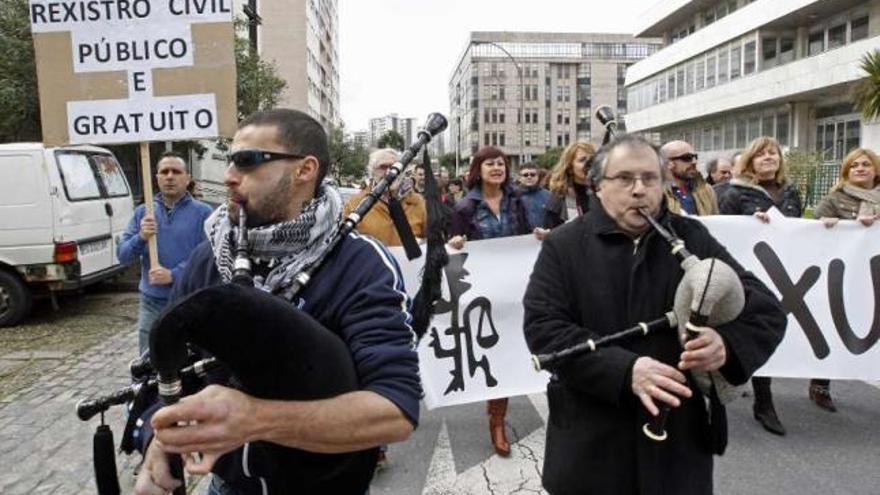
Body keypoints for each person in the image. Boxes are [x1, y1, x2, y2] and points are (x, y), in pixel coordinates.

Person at [134, 109, 421, 495]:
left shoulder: (360, 264)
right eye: (231, 160)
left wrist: (255, 420)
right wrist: (156, 439)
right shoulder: (209, 257)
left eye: (248, 161)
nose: (229, 175)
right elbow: (167, 369)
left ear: (304, 170)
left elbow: (395, 413)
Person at [523, 134, 786, 495]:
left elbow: (766, 312)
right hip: (589, 445)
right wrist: (625, 371)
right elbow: (544, 328)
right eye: (625, 179)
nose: (638, 190)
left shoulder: (690, 236)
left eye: (650, 178)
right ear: (598, 186)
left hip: (677, 444)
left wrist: (725, 344)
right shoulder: (564, 245)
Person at [448, 146, 530, 457]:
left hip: (515, 290)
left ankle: (498, 418)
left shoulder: (517, 201)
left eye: (501, 163)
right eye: (490, 163)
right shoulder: (464, 208)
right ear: (478, 170)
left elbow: (523, 239)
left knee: (509, 354)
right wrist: (455, 243)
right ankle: (493, 416)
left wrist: (535, 237)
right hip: (482, 292)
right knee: (488, 353)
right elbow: (454, 253)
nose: (497, 167)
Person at [718, 136, 801, 436]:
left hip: (785, 273)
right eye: (762, 154)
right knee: (756, 329)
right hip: (750, 274)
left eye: (774, 153)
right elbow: (723, 231)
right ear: (750, 160)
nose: (769, 158)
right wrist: (748, 224)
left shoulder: (790, 192)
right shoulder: (735, 193)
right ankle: (764, 402)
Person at [117, 151, 213, 355]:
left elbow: (209, 257)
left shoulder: (204, 214)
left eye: (176, 171)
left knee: (192, 360)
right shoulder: (143, 213)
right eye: (164, 171)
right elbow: (123, 256)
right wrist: (141, 237)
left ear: (187, 178)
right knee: (149, 360)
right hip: (152, 302)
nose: (170, 176)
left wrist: (174, 275)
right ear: (157, 178)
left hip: (190, 300)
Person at [809, 147, 880, 412]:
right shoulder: (835, 199)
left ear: (876, 169)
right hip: (845, 275)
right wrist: (828, 225)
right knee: (837, 325)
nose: (860, 169)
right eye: (854, 166)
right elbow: (813, 225)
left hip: (875, 274)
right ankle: (820, 384)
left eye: (865, 164)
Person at [343, 148, 427, 247]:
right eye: (383, 167)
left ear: (403, 170)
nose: (390, 172)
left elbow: (434, 240)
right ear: (372, 172)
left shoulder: (418, 202)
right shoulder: (355, 204)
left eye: (394, 167)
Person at [535, 141, 596, 241]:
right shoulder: (559, 198)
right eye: (582, 160)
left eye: (592, 159)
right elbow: (552, 232)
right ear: (570, 167)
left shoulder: (604, 192)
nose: (589, 164)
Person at [660, 141, 718, 216]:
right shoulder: (656, 192)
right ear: (668, 163)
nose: (694, 162)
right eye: (687, 158)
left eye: (695, 157)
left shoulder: (706, 190)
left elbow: (715, 220)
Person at [518, 162, 552, 229]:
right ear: (520, 178)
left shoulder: (549, 196)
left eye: (533, 174)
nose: (529, 177)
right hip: (519, 238)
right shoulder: (511, 196)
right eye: (525, 175)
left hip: (545, 237)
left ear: (538, 176)